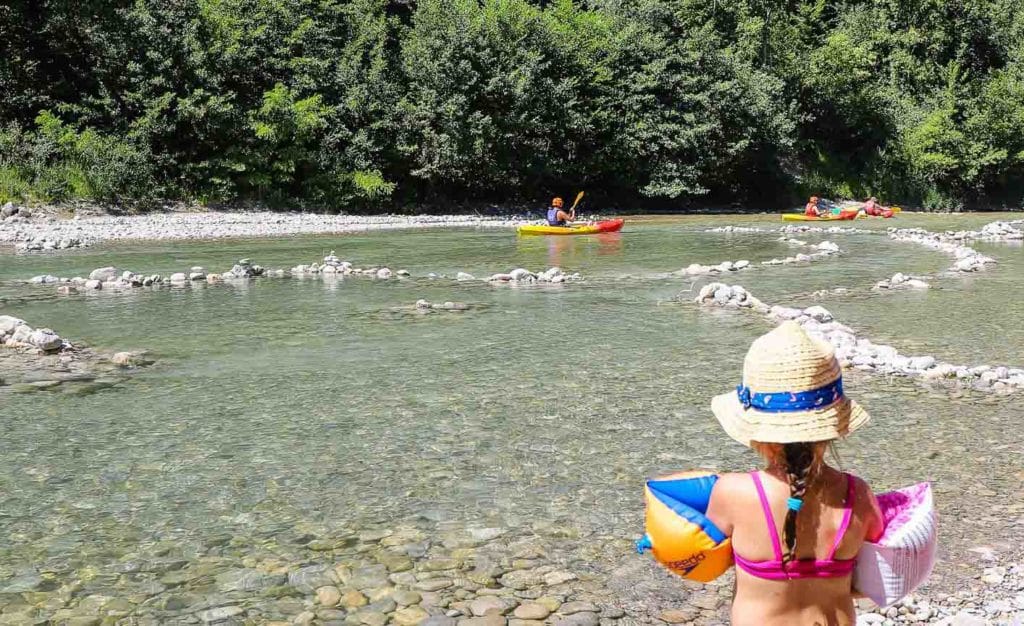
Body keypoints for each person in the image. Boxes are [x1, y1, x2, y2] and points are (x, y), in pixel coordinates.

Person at [705, 321, 884, 626]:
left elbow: (704, 558)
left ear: (758, 433)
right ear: (830, 429)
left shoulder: (733, 493)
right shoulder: (859, 495)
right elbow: (872, 574)